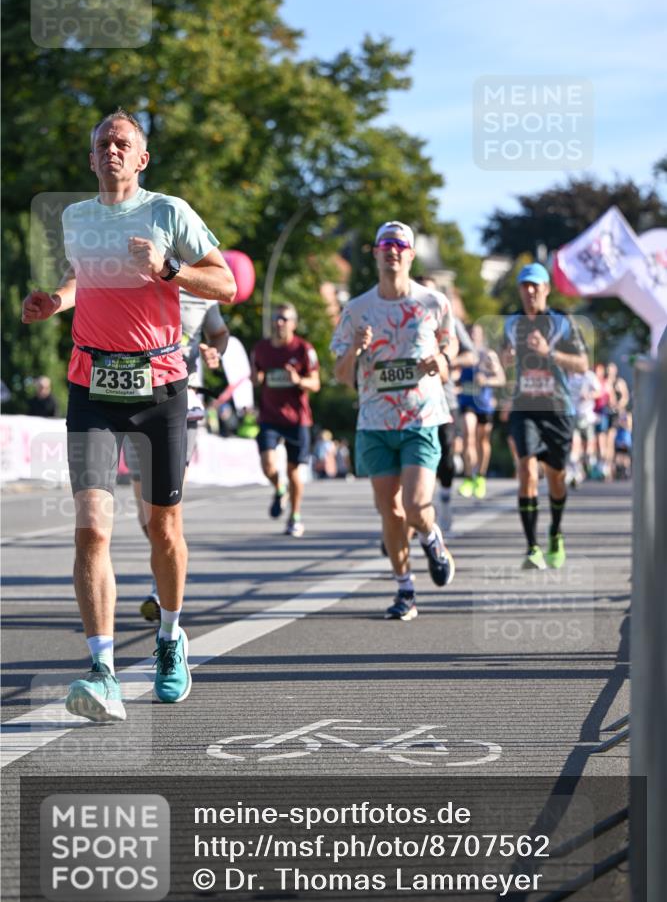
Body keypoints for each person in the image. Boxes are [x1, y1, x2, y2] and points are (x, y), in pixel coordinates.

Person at [21, 108, 237, 722]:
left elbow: (225, 286)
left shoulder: (169, 212)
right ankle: (103, 669)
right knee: (91, 527)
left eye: (123, 143)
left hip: (160, 385)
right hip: (92, 383)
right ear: (91, 160)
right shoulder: (76, 217)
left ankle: (170, 639)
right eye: (102, 144)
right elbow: (81, 281)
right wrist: (54, 302)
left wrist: (169, 269)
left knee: (162, 528)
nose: (112, 150)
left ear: (141, 159)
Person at [332, 220, 457, 621]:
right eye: (386, 243)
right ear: (375, 253)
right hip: (374, 421)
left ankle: (432, 538)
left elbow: (450, 345)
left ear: (411, 254)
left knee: (418, 507)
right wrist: (355, 348)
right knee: (390, 511)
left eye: (400, 244)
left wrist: (442, 359)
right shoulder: (357, 309)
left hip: (421, 417)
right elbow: (339, 375)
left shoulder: (433, 303)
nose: (393, 250)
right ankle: (405, 589)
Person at [127, 288, 230, 622]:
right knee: (146, 514)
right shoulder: (132, 276)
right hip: (136, 398)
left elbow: (219, 333)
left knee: (165, 511)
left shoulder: (201, 287)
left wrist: (214, 353)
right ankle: (168, 561)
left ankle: (162, 589)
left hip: (183, 403)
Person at [502, 263, 588, 570]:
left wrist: (548, 353)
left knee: (556, 478)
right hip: (525, 407)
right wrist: (505, 359)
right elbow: (504, 359)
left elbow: (582, 364)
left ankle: (555, 531)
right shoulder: (511, 323)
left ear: (546, 289)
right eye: (524, 286)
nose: (529, 292)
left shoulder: (563, 324)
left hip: (557, 410)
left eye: (535, 286)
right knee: (526, 470)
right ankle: (532, 547)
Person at [413, 277, 477, 535]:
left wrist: (443, 360)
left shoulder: (451, 321)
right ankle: (412, 514)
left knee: (446, 454)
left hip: (445, 399)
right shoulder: (406, 321)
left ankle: (446, 498)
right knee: (417, 457)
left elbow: (471, 355)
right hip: (414, 400)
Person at [251, 303, 320, 537]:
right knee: (268, 465)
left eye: (283, 319)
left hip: (297, 419)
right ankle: (279, 489)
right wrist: (255, 377)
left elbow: (316, 383)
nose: (278, 322)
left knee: (293, 472)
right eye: (275, 318)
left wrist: (298, 380)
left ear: (293, 323)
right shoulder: (261, 348)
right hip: (269, 416)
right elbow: (257, 374)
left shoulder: (303, 349)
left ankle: (295, 516)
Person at [457, 324, 505, 500]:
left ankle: (481, 477)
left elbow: (501, 379)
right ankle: (469, 478)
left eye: (476, 334)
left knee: (482, 440)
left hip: (484, 403)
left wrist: (486, 380)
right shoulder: (462, 355)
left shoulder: (488, 355)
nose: (473, 337)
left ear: (481, 336)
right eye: (470, 334)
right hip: (467, 401)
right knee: (468, 434)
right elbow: (454, 377)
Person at [566, 367, 601, 486]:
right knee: (574, 443)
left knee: (587, 447)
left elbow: (599, 391)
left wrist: (589, 395)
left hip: (586, 415)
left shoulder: (589, 375)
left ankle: (585, 463)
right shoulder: (568, 375)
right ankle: (576, 470)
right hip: (572, 414)